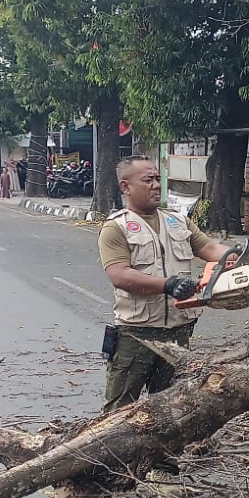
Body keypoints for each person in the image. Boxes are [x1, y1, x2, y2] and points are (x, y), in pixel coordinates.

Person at [98, 156, 239, 412]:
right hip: (137, 334)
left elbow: (208, 248)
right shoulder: (116, 228)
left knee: (172, 408)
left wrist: (236, 255)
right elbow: (120, 275)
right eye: (147, 180)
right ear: (125, 186)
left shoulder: (178, 221)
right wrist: (168, 284)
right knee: (119, 410)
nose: (155, 185)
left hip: (178, 332)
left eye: (158, 179)